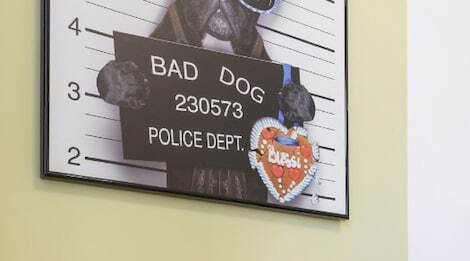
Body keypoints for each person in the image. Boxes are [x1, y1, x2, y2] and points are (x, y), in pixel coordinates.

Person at [97, 0, 315, 203]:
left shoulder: (259, 59)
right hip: (188, 196)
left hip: (248, 200)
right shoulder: (165, 41)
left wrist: (297, 106)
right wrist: (116, 81)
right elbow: (132, 80)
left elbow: (287, 121)